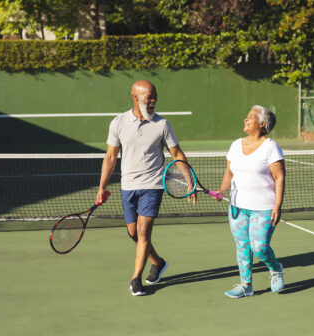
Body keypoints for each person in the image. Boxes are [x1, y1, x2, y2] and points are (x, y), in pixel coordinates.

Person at [97, 80, 196, 296]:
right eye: (148, 98)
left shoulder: (162, 125)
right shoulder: (118, 123)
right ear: (135, 97)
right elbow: (111, 156)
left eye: (154, 98)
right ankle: (158, 262)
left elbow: (176, 154)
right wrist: (102, 186)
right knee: (133, 233)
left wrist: (190, 180)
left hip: (152, 185)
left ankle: (135, 279)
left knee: (143, 231)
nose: (152, 101)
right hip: (128, 185)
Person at [215, 105, 286, 298]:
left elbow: (279, 177)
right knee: (242, 245)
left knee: (259, 247)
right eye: (246, 116)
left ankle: (275, 268)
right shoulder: (236, 145)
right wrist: (222, 190)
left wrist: (277, 206)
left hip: (264, 208)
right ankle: (246, 285)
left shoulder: (270, 147)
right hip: (238, 206)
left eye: (251, 117)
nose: (246, 119)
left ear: (262, 124)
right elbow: (230, 172)